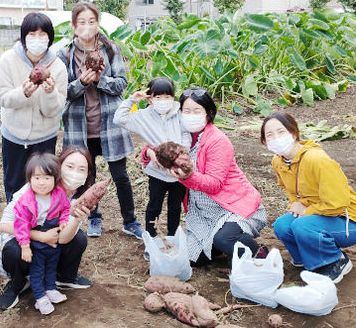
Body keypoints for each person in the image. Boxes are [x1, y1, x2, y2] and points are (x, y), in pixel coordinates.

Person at [154, 88, 268, 266]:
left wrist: (188, 176)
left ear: (209, 114)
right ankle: (221, 243)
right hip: (203, 212)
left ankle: (258, 253)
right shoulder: (179, 137)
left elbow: (214, 184)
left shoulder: (217, 141)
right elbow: (154, 146)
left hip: (233, 206)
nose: (191, 115)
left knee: (224, 240)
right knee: (192, 259)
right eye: (186, 111)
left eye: (197, 111)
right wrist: (151, 154)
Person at [58, 2, 143, 238]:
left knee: (121, 177)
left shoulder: (110, 49)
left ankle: (130, 220)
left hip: (109, 125)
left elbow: (121, 85)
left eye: (92, 21)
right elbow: (62, 92)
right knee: (87, 178)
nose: (87, 26)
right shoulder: (64, 53)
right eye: (82, 22)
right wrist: (82, 83)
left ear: (98, 24)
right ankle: (94, 218)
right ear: (74, 26)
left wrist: (99, 80)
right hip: (79, 127)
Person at [0, 146, 94, 311]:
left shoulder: (80, 197)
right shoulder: (38, 185)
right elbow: (4, 225)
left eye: (81, 169)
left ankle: (62, 277)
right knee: (14, 250)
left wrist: (75, 219)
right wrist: (40, 236)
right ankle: (17, 283)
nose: (75, 172)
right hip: (25, 240)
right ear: (57, 167)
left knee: (79, 239)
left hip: (50, 245)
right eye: (69, 166)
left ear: (87, 174)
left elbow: (63, 238)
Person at [261, 112, 356, 283]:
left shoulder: (316, 159)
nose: (276, 138)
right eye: (270, 135)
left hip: (348, 220)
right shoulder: (278, 161)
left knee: (303, 225)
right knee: (283, 225)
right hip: (321, 215)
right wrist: (296, 205)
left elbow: (339, 203)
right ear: (264, 141)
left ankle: (336, 261)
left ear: (294, 133)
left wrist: (306, 210)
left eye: (281, 132)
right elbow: (289, 189)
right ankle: (308, 259)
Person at [0, 12, 67, 203]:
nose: (37, 40)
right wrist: (23, 93)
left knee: (43, 183)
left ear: (50, 38)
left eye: (43, 34)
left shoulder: (58, 67)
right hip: (13, 136)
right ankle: (15, 226)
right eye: (32, 35)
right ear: (24, 37)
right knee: (14, 183)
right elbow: (2, 98)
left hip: (44, 138)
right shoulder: (8, 59)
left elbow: (53, 110)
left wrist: (50, 92)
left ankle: (40, 224)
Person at [114, 77, 191, 237]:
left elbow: (185, 133)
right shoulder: (143, 117)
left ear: (173, 98)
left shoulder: (179, 113)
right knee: (154, 206)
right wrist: (131, 100)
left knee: (175, 206)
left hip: (178, 172)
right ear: (149, 99)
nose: (164, 101)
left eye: (168, 97)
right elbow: (119, 119)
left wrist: (182, 153)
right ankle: (152, 237)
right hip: (157, 171)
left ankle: (172, 237)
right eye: (158, 97)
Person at [12, 153, 70, 315]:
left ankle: (50, 289)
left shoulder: (59, 194)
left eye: (46, 178)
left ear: (55, 178)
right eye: (37, 178)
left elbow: (66, 208)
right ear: (29, 179)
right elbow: (20, 225)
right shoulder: (26, 201)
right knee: (37, 271)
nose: (42, 182)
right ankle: (40, 297)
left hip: (53, 242)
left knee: (52, 266)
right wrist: (25, 246)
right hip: (36, 244)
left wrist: (64, 220)